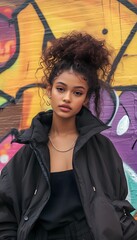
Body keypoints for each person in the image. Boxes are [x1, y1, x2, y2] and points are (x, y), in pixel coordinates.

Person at [0, 31, 137, 240]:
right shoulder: (28, 154)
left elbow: (119, 211)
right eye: (61, 89)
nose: (67, 98)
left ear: (86, 97)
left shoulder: (102, 149)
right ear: (49, 90)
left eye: (77, 92)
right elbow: (5, 218)